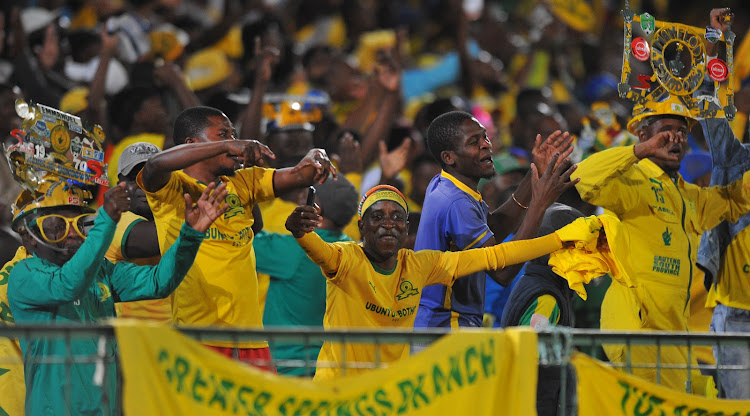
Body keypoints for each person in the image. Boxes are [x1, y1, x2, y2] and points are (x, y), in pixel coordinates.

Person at [285, 184, 604, 380]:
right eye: (377, 217)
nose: (388, 224)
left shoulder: (420, 265)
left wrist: (560, 239)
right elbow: (318, 251)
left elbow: (496, 257)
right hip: (337, 390)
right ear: (361, 226)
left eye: (397, 217)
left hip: (384, 393)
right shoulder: (345, 259)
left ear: (406, 226)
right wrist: (300, 231)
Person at [574, 92, 750, 393]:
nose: (675, 138)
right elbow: (584, 178)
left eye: (681, 132)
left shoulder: (687, 195)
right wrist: (639, 151)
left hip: (674, 335)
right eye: (664, 132)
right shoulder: (634, 182)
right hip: (638, 331)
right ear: (643, 134)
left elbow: (736, 200)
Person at [8, 177, 227, 415]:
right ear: (29, 236)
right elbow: (68, 285)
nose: (72, 234)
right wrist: (106, 221)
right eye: (57, 226)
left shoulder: (100, 271)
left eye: (81, 224)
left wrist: (190, 236)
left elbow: (159, 282)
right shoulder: (24, 274)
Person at [138, 105, 336, 367]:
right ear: (192, 144)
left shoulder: (243, 182)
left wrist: (316, 154)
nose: (233, 142)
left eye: (233, 135)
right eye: (223, 135)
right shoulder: (173, 188)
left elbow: (301, 174)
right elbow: (153, 165)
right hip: (200, 336)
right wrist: (224, 148)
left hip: (252, 340)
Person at [414, 110, 575, 329]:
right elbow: (502, 272)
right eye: (474, 141)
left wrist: (536, 171)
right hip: (445, 326)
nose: (486, 145)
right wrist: (539, 204)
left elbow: (493, 229)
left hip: (440, 323)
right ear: (449, 157)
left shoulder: (448, 185)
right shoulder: (456, 202)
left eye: (484, 137)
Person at [254, 175, 359, 377]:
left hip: (287, 368)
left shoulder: (295, 250)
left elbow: (247, 243)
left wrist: (247, 189)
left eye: (307, 196)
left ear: (316, 208)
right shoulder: (352, 250)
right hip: (330, 369)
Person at [104, 141, 171, 322]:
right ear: (120, 185)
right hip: (131, 340)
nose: (143, 185)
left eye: (152, 177)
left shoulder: (172, 216)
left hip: (178, 337)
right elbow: (168, 237)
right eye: (134, 178)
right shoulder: (113, 221)